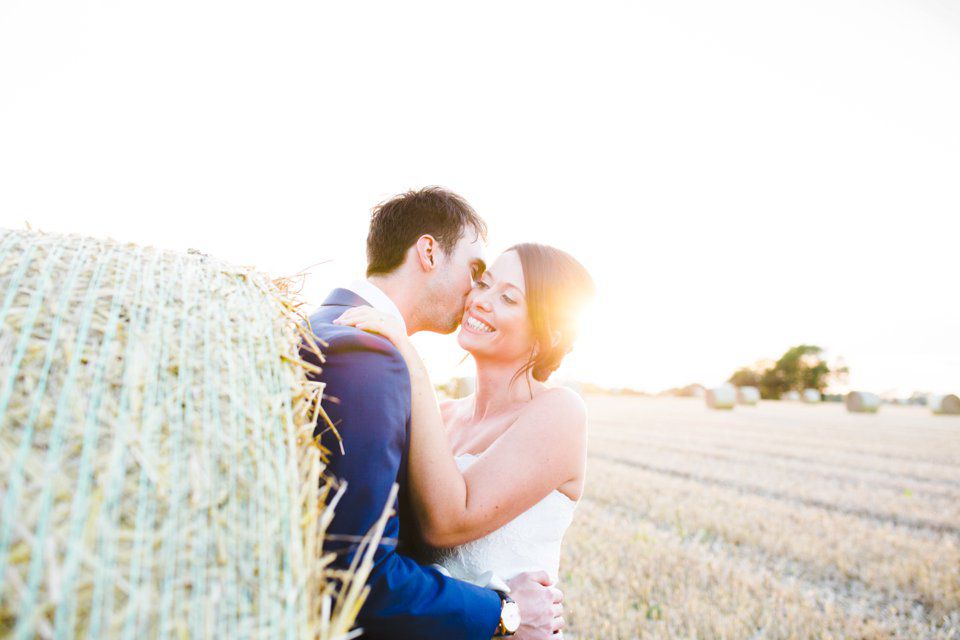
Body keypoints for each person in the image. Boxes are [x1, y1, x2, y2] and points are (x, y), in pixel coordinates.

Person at [302, 187, 562, 640]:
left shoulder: (321, 327)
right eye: (477, 273)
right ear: (428, 252)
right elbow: (358, 570)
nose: (476, 295)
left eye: (506, 295)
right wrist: (502, 612)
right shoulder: (366, 353)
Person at [335, 243, 594, 618]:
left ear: (551, 332)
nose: (481, 301)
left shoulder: (560, 411)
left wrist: (411, 359)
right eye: (484, 283)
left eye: (508, 298)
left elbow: (448, 522)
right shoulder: (440, 414)